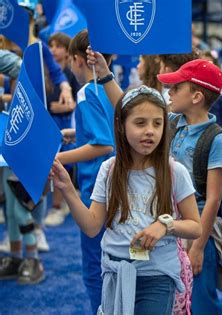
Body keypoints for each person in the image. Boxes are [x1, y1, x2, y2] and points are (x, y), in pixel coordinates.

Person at [52, 85, 202, 314]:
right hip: (115, 273)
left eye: (157, 123)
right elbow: (92, 227)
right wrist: (67, 190)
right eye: (140, 123)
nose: (150, 131)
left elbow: (195, 227)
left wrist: (165, 225)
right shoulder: (109, 170)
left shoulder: (175, 171)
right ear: (121, 126)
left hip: (158, 276)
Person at [158, 59, 222, 315]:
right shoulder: (173, 122)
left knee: (202, 302)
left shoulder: (215, 138)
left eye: (176, 87)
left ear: (196, 96)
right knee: (172, 298)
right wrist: (104, 77)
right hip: (171, 224)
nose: (169, 92)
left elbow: (214, 199)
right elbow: (127, 110)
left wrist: (199, 247)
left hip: (198, 230)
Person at [56, 30, 115, 314]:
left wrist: (56, 158)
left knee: (95, 269)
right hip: (115, 186)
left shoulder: (85, 92)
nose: (67, 65)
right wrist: (76, 134)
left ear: (79, 59)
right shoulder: (110, 87)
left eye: (68, 59)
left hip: (96, 190)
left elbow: (103, 145)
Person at [45, 32, 80, 227]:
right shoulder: (46, 72)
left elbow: (76, 101)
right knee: (47, 164)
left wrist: (65, 107)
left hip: (65, 124)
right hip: (48, 123)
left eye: (58, 46)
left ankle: (57, 206)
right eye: (51, 46)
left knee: (60, 165)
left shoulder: (70, 73)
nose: (53, 50)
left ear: (67, 51)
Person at [201, 50, 222, 138]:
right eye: (202, 64)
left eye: (209, 64)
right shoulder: (195, 91)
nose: (205, 67)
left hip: (217, 138)